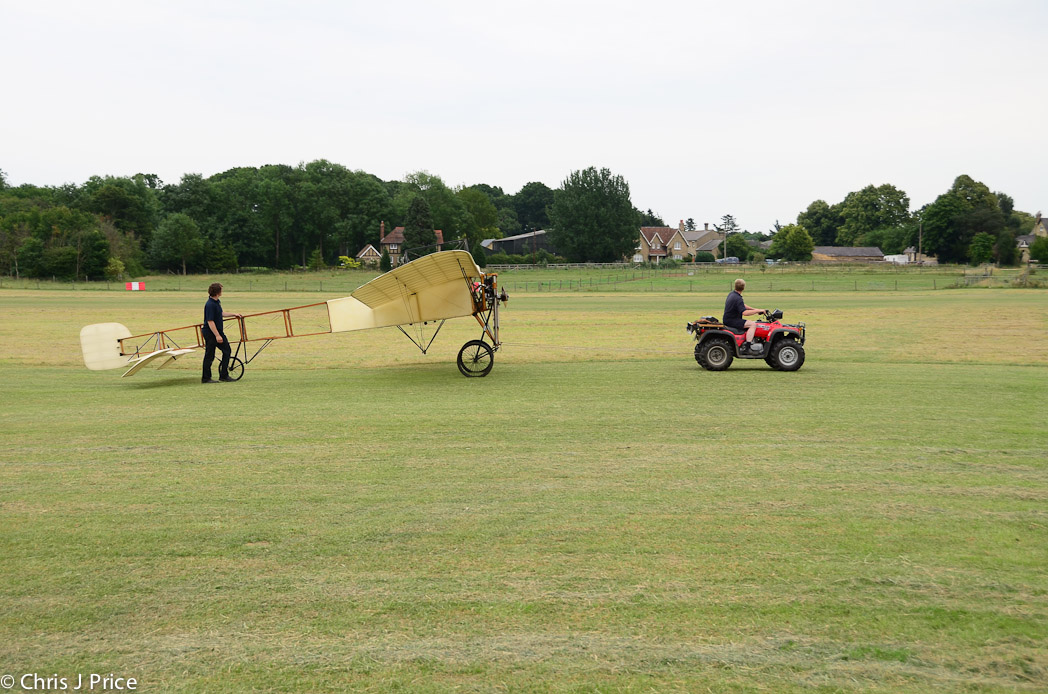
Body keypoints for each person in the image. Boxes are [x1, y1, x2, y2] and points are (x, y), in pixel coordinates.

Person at [201, 282, 242, 383]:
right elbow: (210, 321)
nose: (222, 291)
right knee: (210, 354)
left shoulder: (216, 302)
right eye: (221, 290)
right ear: (217, 292)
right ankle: (206, 378)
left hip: (217, 332)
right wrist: (217, 335)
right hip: (211, 333)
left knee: (227, 350)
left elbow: (221, 313)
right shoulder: (210, 304)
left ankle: (224, 375)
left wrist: (234, 314)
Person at [722, 278, 765, 354]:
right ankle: (747, 348)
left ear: (735, 286)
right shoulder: (738, 298)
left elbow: (742, 306)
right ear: (743, 288)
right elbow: (744, 313)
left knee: (750, 323)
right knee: (753, 324)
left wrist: (756, 309)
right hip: (732, 320)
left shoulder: (732, 294)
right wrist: (757, 311)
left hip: (728, 319)